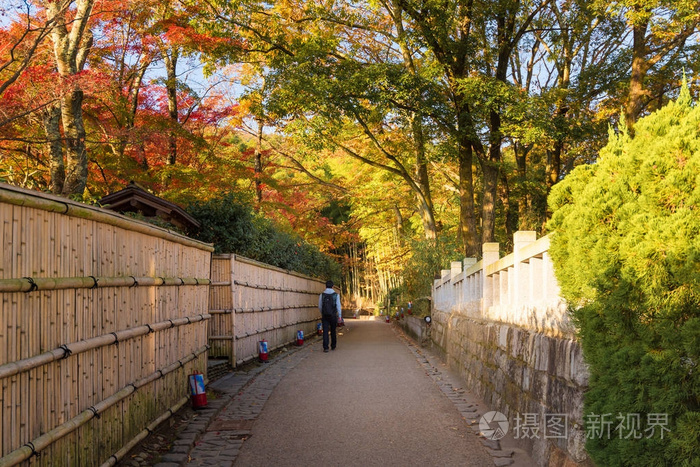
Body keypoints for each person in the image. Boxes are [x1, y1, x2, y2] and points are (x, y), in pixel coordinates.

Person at [319, 280, 342, 352]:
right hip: (333, 315)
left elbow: (320, 306)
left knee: (325, 331)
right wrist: (340, 316)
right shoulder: (336, 295)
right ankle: (333, 345)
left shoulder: (322, 295)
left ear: (325, 286)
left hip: (325, 315)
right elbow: (338, 306)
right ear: (332, 286)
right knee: (333, 330)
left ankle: (325, 347)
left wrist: (322, 312)